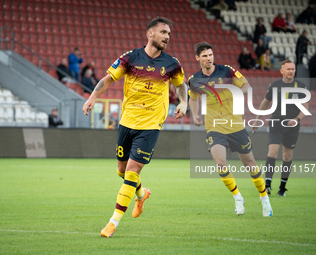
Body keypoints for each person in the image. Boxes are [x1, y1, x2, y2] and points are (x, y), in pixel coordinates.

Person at [82, 17, 188, 238]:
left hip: (151, 125)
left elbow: (181, 85)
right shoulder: (129, 58)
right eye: (163, 32)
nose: (167, 37)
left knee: (132, 171)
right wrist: (93, 97)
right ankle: (141, 194)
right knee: (121, 171)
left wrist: (184, 102)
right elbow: (108, 79)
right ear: (150, 34)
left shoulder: (172, 63)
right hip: (127, 122)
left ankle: (113, 222)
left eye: (169, 33)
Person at [189, 41, 273, 217]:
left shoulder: (226, 71)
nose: (209, 58)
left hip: (235, 125)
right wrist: (195, 115)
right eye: (204, 56)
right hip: (214, 126)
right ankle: (237, 197)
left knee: (250, 164)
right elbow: (193, 98)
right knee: (220, 163)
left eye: (210, 55)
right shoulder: (195, 80)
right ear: (198, 58)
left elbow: (246, 86)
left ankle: (264, 199)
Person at [253, 60, 309, 196]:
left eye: (293, 69)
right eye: (288, 69)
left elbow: (305, 107)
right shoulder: (275, 85)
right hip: (276, 123)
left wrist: (297, 119)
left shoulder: (300, 86)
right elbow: (265, 103)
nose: (291, 71)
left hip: (292, 126)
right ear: (282, 71)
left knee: (287, 156)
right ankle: (267, 186)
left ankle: (282, 188)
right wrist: (256, 120)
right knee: (272, 152)